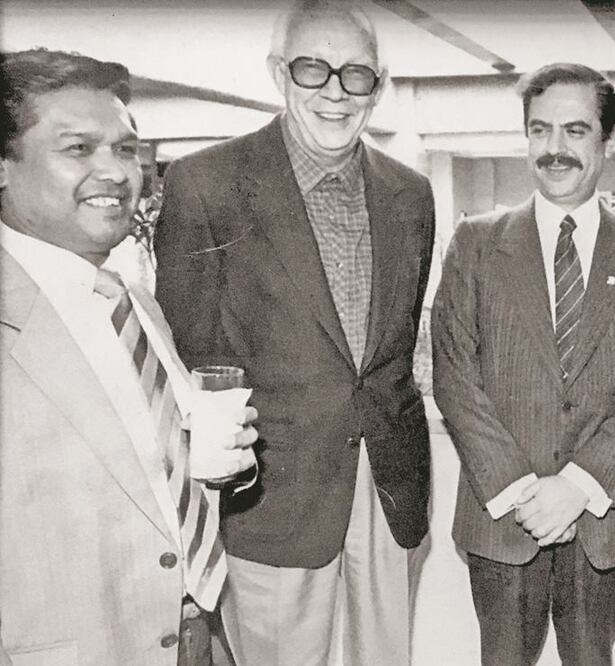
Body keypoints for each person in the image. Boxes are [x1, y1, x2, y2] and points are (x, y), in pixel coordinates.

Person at [153, 1, 436, 663]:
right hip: (273, 490)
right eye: (314, 69)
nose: (336, 92)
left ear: (380, 84)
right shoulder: (206, 183)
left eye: (357, 75)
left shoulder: (412, 192)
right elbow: (187, 357)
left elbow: (394, 346)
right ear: (279, 73)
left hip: (388, 479)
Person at [0, 48, 257, 665]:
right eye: (78, 149)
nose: (115, 171)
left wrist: (204, 460)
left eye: (125, 148)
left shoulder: (132, 299)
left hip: (193, 637)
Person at [431, 62, 615, 666]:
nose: (555, 148)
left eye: (575, 130)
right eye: (540, 131)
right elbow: (454, 377)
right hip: (503, 518)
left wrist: (575, 488)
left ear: (607, 141)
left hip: (601, 517)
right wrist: (524, 492)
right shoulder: (475, 242)